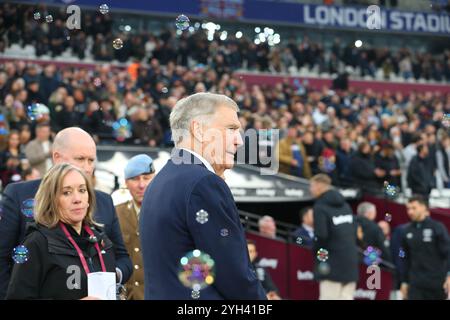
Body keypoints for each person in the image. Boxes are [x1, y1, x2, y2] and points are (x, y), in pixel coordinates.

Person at [139, 92, 266, 300]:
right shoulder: (203, 183)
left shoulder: (160, 181)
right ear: (198, 130)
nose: (239, 141)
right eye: (231, 129)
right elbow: (234, 276)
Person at [0, 127, 132, 299]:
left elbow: (122, 257)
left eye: (91, 160)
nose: (87, 167)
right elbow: (3, 260)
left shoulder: (104, 204)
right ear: (57, 158)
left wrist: (104, 276)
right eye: (80, 159)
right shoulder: (19, 198)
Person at [6, 164, 116, 299]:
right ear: (51, 200)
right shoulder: (36, 242)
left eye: (82, 190)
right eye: (66, 192)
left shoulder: (101, 240)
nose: (77, 199)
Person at [309, 174, 359, 300]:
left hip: (331, 264)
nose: (310, 189)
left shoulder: (320, 207)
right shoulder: (346, 205)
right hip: (350, 262)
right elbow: (354, 231)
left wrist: (315, 250)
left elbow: (321, 235)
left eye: (312, 186)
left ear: (319, 186)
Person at [115, 154, 155, 300]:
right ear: (126, 183)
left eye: (146, 178)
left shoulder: (168, 214)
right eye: (135, 179)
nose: (141, 185)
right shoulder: (115, 214)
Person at [400, 195, 450, 300]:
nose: (410, 212)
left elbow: (448, 252)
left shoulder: (437, 227)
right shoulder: (406, 231)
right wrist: (404, 281)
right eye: (408, 208)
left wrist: (449, 275)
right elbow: (403, 256)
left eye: (414, 208)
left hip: (436, 282)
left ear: (423, 207)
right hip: (415, 283)